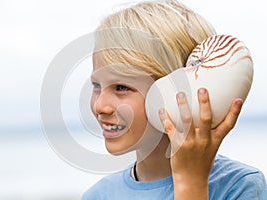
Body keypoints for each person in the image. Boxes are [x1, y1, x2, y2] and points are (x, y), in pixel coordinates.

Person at [82, 0, 267, 199]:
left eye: (121, 88)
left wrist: (191, 183)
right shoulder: (98, 195)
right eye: (97, 86)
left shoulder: (239, 186)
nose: (100, 105)